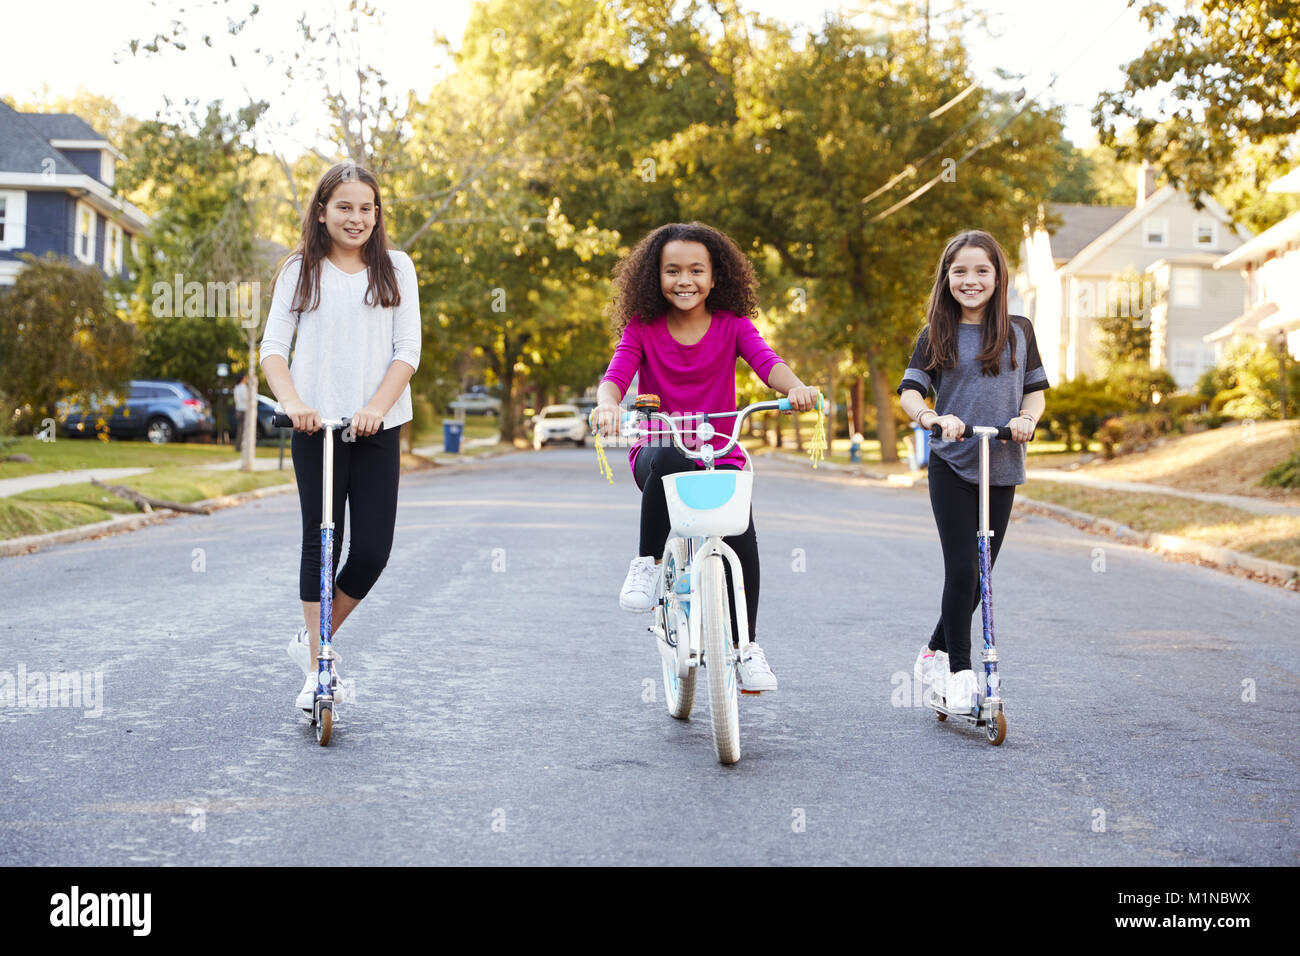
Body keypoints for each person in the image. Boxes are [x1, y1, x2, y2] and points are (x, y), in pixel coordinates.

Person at [591, 222, 820, 692]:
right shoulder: (643, 327)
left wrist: (796, 387)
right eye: (672, 270)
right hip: (657, 448)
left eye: (697, 270)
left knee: (741, 533)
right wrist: (608, 404)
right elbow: (616, 375)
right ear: (655, 277)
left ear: (716, 277)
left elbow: (766, 361)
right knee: (669, 455)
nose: (684, 280)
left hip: (719, 451)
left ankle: (747, 647)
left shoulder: (733, 326)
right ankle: (647, 564)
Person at [259, 161, 421, 711]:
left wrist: (376, 407)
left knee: (372, 549)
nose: (357, 218)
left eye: (367, 208)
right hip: (316, 427)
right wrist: (294, 403)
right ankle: (316, 670)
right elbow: (273, 350)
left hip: (377, 426)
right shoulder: (299, 269)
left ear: (378, 215)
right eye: (345, 207)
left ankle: (315, 637)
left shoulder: (396, 268)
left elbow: (407, 351)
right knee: (322, 540)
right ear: (322, 211)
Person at [897, 229, 1048, 715]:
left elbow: (1035, 390)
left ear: (998, 276)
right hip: (952, 462)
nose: (970, 280)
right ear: (946, 278)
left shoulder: (1020, 330)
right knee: (962, 569)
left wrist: (1027, 420)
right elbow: (910, 392)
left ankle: (931, 651)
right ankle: (961, 674)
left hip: (1001, 464)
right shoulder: (935, 334)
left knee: (980, 578)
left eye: (981, 270)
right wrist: (931, 418)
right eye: (959, 271)